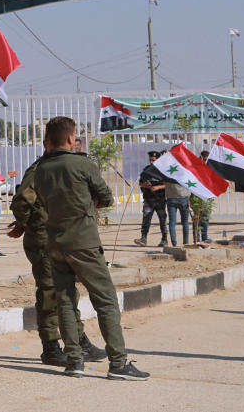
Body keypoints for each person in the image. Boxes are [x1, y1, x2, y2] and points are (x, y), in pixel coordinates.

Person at [34, 116, 149, 381]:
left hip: (55, 242)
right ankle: (118, 364)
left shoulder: (40, 169)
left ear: (49, 140)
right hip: (83, 242)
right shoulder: (82, 164)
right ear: (72, 139)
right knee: (105, 300)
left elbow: (43, 202)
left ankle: (74, 361)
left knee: (64, 300)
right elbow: (106, 197)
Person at [8, 139, 106, 367]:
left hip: (64, 236)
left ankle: (79, 340)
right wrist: (26, 223)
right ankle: (51, 346)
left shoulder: (67, 167)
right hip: (44, 238)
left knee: (68, 292)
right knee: (50, 292)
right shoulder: (41, 169)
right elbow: (22, 200)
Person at [134, 151, 168, 247]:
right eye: (150, 160)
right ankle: (143, 238)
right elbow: (141, 183)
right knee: (146, 219)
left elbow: (168, 185)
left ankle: (164, 239)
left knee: (162, 220)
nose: (152, 162)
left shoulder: (163, 171)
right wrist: (145, 185)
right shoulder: (146, 170)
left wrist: (158, 187)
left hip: (160, 200)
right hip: (149, 199)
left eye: (153, 160)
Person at [165, 151, 191, 247]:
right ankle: (186, 242)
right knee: (185, 222)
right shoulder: (184, 167)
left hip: (171, 198)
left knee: (172, 222)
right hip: (183, 197)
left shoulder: (167, 167)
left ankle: (174, 243)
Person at [194, 150, 214, 243]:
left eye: (206, 159)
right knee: (197, 217)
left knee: (205, 217)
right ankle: (196, 237)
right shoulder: (195, 168)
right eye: (204, 159)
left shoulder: (210, 167)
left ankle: (204, 236)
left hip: (207, 195)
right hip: (197, 195)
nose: (205, 161)